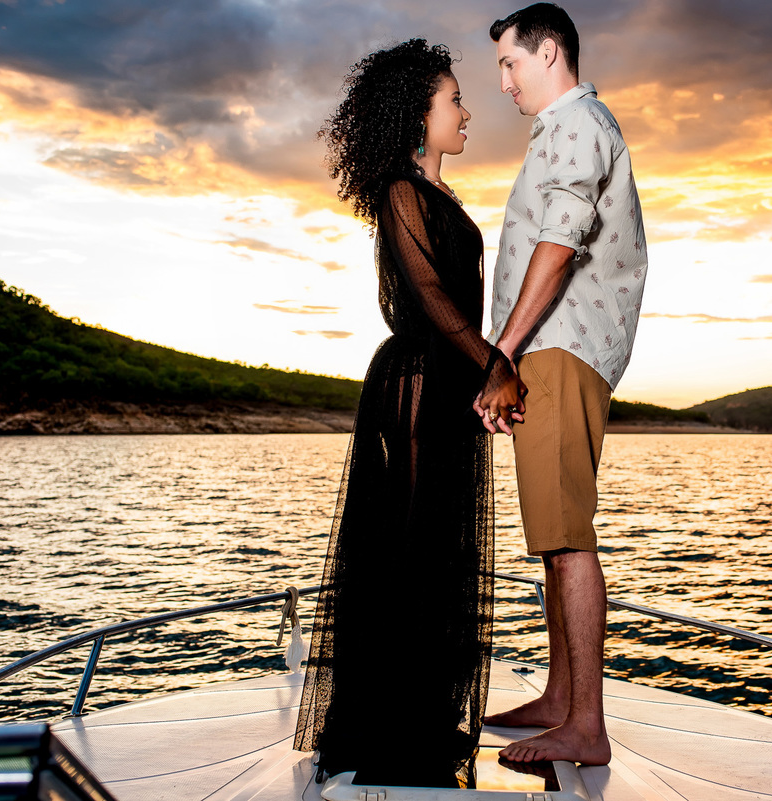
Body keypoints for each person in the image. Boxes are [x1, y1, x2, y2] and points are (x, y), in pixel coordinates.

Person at [294, 39, 525, 788]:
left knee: (439, 551)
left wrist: (487, 370)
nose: (466, 111)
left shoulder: (440, 195)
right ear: (418, 117)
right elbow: (430, 300)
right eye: (454, 99)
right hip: (420, 378)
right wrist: (498, 362)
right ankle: (393, 729)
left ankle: (419, 715)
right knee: (413, 550)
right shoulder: (400, 190)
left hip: (449, 382)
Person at [477, 3, 647, 766]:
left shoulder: (580, 123)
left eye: (511, 64)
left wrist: (502, 353)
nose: (504, 84)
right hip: (551, 349)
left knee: (568, 535)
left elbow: (558, 243)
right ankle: (559, 696)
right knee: (553, 534)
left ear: (550, 53)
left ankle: (587, 725)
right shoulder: (563, 129)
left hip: (558, 347)